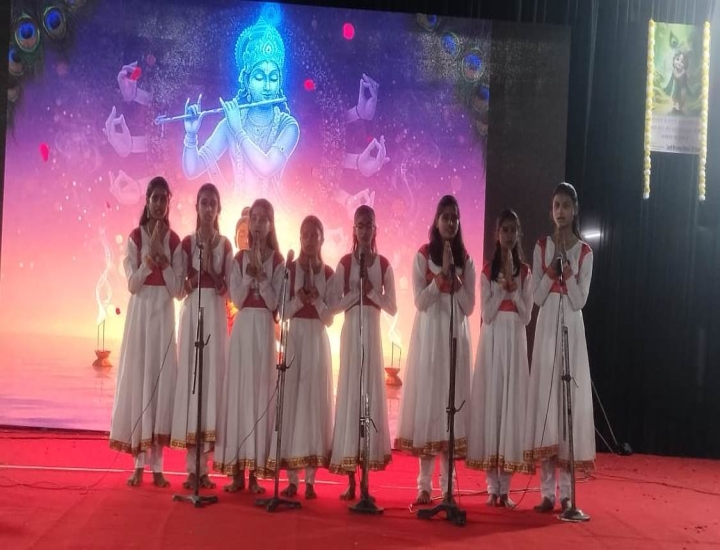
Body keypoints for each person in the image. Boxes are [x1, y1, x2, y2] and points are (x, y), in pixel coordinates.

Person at [395, 194, 476, 505]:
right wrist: (439, 279)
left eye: (455, 218)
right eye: (445, 217)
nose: (450, 223)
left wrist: (455, 279)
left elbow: (469, 306)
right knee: (430, 406)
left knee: (451, 406)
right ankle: (424, 485)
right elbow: (420, 301)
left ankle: (448, 487)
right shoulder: (423, 255)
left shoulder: (466, 260)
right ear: (436, 220)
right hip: (429, 338)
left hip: (456, 336)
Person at [523, 182, 595, 513]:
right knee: (547, 403)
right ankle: (546, 493)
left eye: (566, 206)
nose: (561, 212)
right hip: (547, 326)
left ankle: (566, 493)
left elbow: (580, 301)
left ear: (574, 209)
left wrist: (568, 273)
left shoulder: (585, 252)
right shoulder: (542, 247)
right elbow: (537, 297)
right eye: (556, 206)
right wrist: (552, 271)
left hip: (571, 330)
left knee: (567, 404)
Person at [109, 176, 183, 487]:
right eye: (155, 198)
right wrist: (147, 263)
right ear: (148, 201)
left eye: (164, 199)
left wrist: (164, 265)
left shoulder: (175, 241)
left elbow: (178, 290)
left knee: (159, 382)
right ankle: (138, 464)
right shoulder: (135, 238)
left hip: (163, 314)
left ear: (169, 203)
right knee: (141, 380)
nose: (159, 204)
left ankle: (158, 467)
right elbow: (132, 284)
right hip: (140, 316)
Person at [182, 16, 300, 199]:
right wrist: (191, 135)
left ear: (279, 83)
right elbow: (192, 170)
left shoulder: (288, 126)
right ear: (247, 81)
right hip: (237, 213)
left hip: (273, 214)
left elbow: (266, 168)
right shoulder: (232, 121)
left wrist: (238, 131)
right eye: (259, 78)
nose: (267, 86)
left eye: (273, 78)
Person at [213, 198, 285, 494]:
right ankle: (236, 471)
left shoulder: (278, 261)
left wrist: (262, 277)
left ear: (270, 225)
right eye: (253, 218)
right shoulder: (238, 259)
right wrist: (250, 274)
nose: (257, 224)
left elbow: (274, 303)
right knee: (240, 393)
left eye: (262, 219)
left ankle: (255, 472)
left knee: (259, 393)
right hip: (243, 330)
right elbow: (239, 299)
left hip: (264, 329)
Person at [465, 209, 533, 507]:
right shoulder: (487, 271)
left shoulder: (526, 272)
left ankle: (506, 488)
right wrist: (502, 291)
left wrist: (514, 293)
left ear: (518, 234)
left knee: (510, 407)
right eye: (504, 230)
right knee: (493, 405)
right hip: (493, 341)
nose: (508, 235)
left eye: (513, 230)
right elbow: (487, 314)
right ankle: (492, 486)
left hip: (515, 340)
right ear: (497, 234)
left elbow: (527, 316)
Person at [328, 205, 396, 499]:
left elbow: (392, 307)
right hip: (351, 336)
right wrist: (358, 292)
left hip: (372, 335)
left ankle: (366, 478)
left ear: (375, 230)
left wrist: (372, 291)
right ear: (353, 230)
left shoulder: (384, 264)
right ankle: (350, 480)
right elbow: (333, 306)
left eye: (369, 225)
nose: (365, 230)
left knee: (369, 398)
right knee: (351, 397)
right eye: (360, 225)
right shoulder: (344, 264)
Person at [268, 215, 335, 499]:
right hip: (295, 339)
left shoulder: (328, 273)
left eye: (314, 235)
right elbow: (281, 312)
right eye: (305, 234)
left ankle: (310, 479)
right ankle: (292, 478)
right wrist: (299, 299)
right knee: (294, 402)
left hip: (317, 340)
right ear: (299, 237)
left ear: (322, 239)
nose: (309, 240)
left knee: (313, 403)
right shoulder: (289, 270)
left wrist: (316, 300)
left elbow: (330, 318)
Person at [170, 183, 233, 490]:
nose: (208, 208)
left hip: (215, 316)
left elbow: (228, 289)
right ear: (196, 207)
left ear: (218, 209)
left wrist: (211, 268)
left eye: (213, 204)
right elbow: (179, 289)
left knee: (211, 383)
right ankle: (190, 468)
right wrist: (198, 273)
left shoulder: (225, 244)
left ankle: (205, 469)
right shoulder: (187, 243)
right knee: (193, 382)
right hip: (193, 312)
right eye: (204, 203)